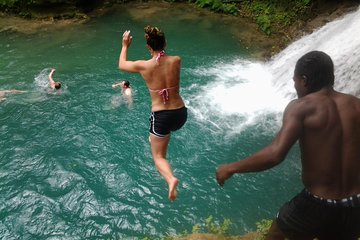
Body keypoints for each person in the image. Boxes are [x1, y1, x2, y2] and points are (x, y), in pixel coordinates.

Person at [216, 51, 360, 240]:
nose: (294, 87)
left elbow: (276, 154)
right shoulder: (356, 105)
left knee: (276, 235)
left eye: (295, 81)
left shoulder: (301, 107)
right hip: (354, 206)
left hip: (317, 204)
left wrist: (231, 168)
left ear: (304, 80)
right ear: (331, 77)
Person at [118, 26, 187, 201]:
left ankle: (171, 179)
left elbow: (122, 65)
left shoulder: (144, 66)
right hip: (180, 114)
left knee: (158, 156)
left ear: (149, 47)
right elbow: (163, 60)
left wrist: (125, 45)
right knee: (163, 134)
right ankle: (157, 137)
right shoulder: (176, 60)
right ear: (165, 43)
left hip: (162, 117)